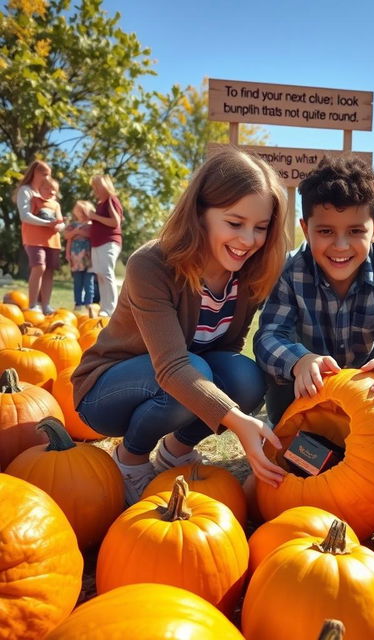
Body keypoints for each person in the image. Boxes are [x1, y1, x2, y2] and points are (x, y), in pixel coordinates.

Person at [72, 149, 288, 504]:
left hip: (178, 383)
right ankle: (130, 459)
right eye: (235, 223)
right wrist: (235, 419)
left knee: (245, 377)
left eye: (260, 228)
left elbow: (226, 353)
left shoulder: (249, 275)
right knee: (194, 370)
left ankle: (175, 451)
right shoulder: (151, 264)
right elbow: (172, 367)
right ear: (200, 213)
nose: (249, 240)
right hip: (107, 392)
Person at [254, 155, 374, 427]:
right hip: (308, 383)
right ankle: (290, 426)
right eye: (326, 231)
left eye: (355, 231)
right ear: (306, 229)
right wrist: (299, 361)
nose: (341, 245)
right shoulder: (291, 269)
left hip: (364, 381)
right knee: (281, 358)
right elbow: (268, 336)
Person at [14, 160, 65, 313]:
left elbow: (60, 222)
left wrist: (58, 226)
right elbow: (25, 216)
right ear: (34, 173)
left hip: (51, 241)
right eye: (44, 173)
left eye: (49, 174)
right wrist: (46, 224)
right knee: (39, 267)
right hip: (33, 239)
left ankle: (45, 305)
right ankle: (33, 304)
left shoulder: (52, 198)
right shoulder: (26, 191)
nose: (46, 177)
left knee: (49, 270)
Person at [88, 175, 124, 316]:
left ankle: (111, 308)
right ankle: (105, 307)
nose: (95, 189)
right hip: (97, 243)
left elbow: (115, 222)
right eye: (94, 186)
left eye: (98, 185)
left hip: (108, 242)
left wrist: (94, 217)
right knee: (101, 275)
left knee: (107, 273)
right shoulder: (100, 203)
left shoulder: (111, 200)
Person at [64, 200, 95, 311]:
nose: (79, 213)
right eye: (77, 211)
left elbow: (91, 235)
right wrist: (67, 253)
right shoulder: (73, 225)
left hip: (88, 256)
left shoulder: (92, 224)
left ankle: (89, 303)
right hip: (75, 256)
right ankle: (78, 303)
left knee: (88, 280)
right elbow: (68, 238)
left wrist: (78, 232)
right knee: (77, 281)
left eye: (82, 211)